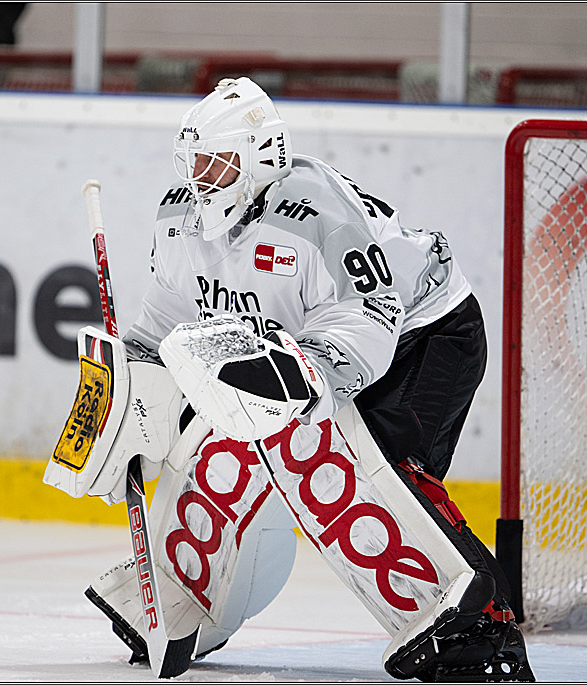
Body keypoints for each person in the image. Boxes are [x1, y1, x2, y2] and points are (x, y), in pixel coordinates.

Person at [109, 76, 534, 682]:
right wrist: (130, 390)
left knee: (365, 468)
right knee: (222, 444)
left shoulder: (316, 212)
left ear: (262, 159)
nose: (199, 179)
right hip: (301, 350)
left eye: (216, 164)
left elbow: (370, 316)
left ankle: (478, 629)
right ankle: (180, 590)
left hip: (426, 335)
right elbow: (163, 321)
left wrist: (306, 373)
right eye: (193, 162)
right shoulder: (181, 220)